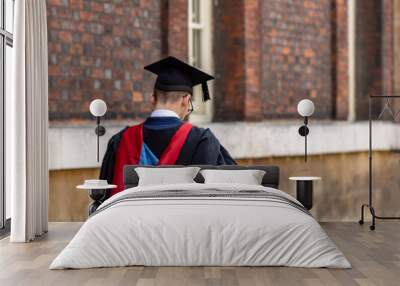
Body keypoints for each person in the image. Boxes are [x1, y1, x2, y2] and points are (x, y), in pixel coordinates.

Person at [100, 56, 236, 196]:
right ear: (185, 100)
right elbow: (231, 188)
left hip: (127, 217)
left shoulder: (121, 140)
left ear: (152, 99)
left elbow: (102, 195)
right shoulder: (202, 140)